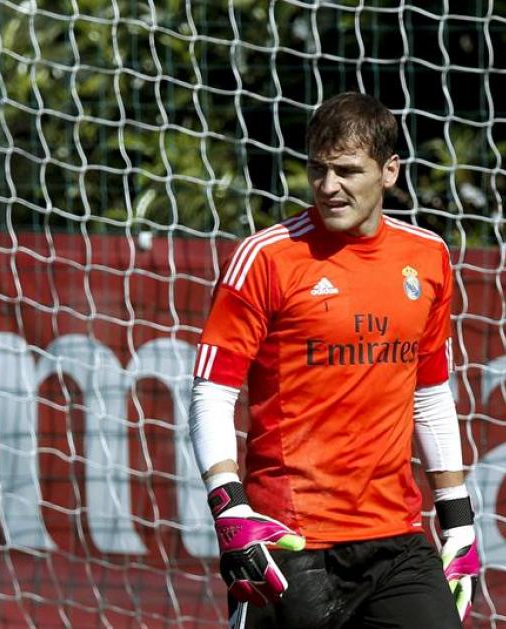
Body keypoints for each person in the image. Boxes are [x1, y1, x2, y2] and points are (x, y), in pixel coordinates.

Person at [188, 92, 480, 628]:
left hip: (398, 539)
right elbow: (212, 391)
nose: (328, 187)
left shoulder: (428, 256)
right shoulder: (265, 258)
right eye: (317, 170)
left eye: (347, 171)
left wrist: (458, 519)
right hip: (293, 541)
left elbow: (431, 392)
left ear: (389, 172)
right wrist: (229, 506)